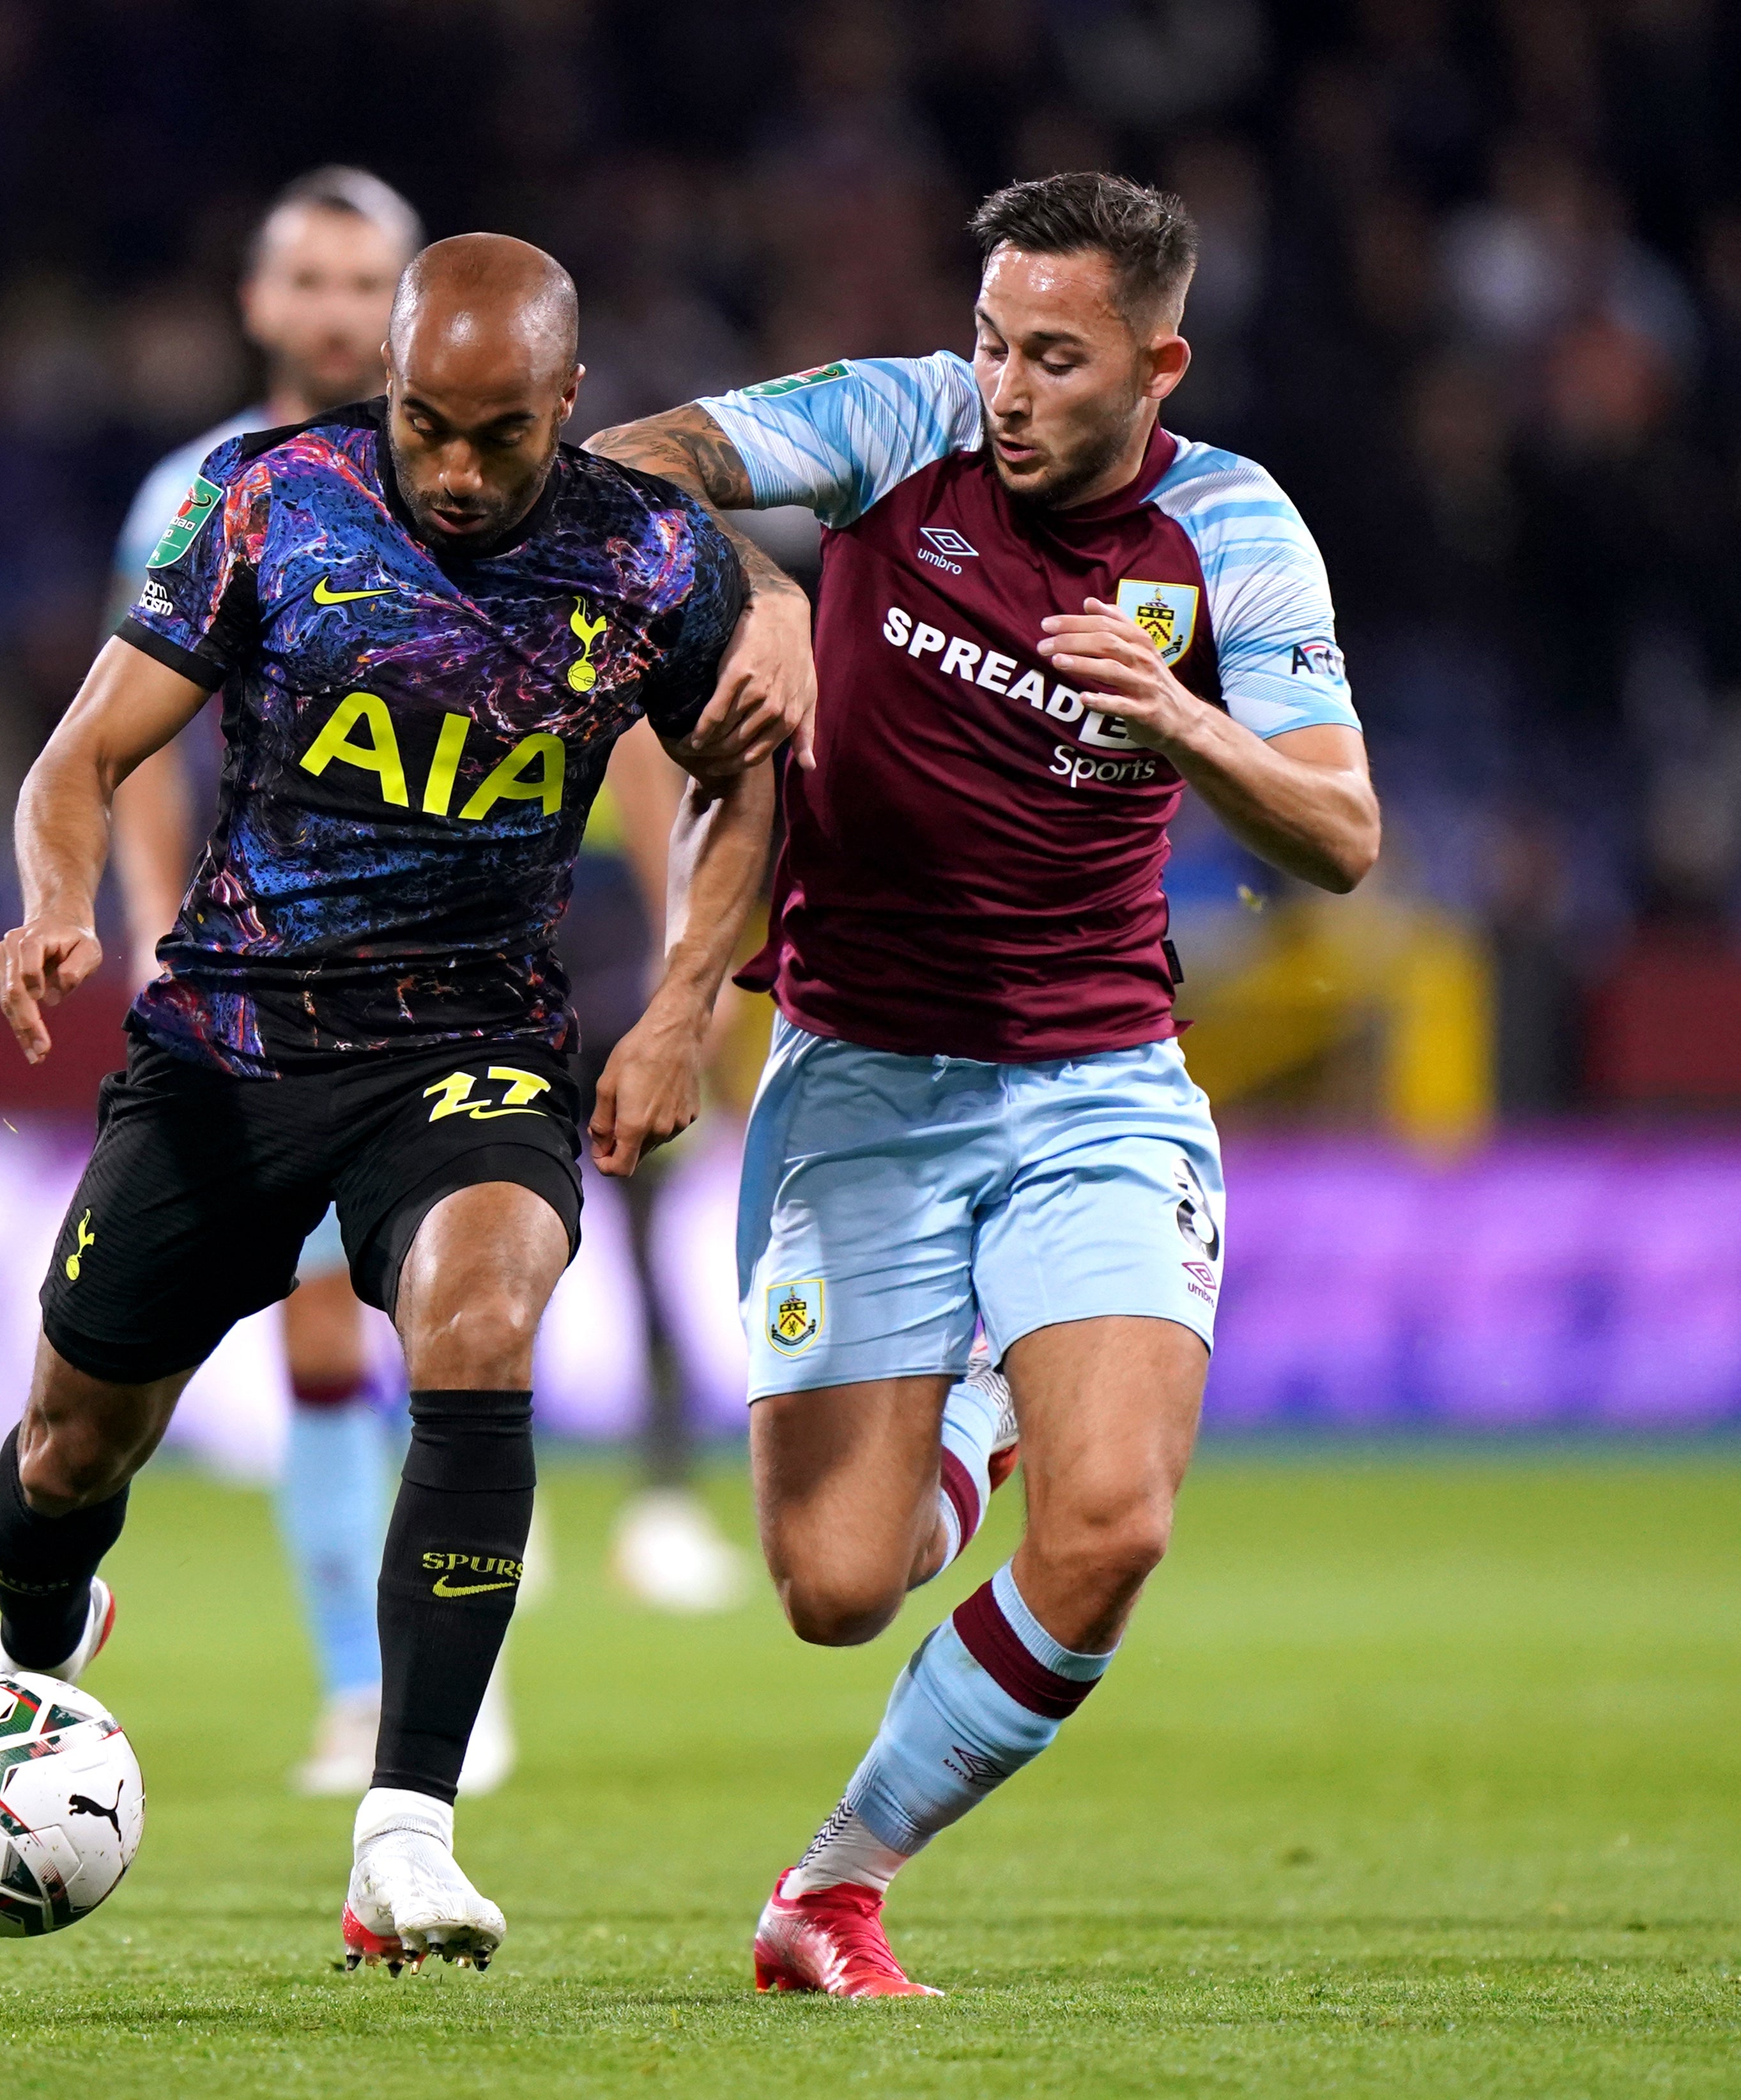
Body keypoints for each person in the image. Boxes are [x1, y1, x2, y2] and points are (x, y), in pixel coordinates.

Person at [589, 171, 1377, 1995]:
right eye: (988, 345)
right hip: (856, 1072)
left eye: (1051, 358)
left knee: (1107, 1530)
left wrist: (1184, 725)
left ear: (1155, 365)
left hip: (1095, 1081)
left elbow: (1338, 833)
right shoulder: (894, 428)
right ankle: (981, 1402)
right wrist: (754, 597)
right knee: (834, 1590)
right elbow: (630, 462)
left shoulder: (1231, 535)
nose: (1003, 390)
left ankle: (830, 1889)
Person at [0, 232, 799, 1973]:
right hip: (229, 1044)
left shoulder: (644, 556)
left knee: (479, 1326)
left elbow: (745, 779)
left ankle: (405, 1827)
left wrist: (678, 1005)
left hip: (471, 1050)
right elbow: (80, 756)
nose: (451, 466)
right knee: (67, 1452)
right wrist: (58, 905)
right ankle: (33, 1648)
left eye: (496, 436)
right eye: (422, 422)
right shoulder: (272, 503)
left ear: (568, 407)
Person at [107, 166, 516, 1798]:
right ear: (261, 304)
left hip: (467, 983)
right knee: (319, 1342)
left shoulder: (501, 494)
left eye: (371, 283)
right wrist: (148, 922)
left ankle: (412, 1681)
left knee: (437, 1330)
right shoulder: (202, 492)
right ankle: (370, 1686)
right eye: (314, 281)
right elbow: (129, 728)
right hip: (267, 985)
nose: (341, 311)